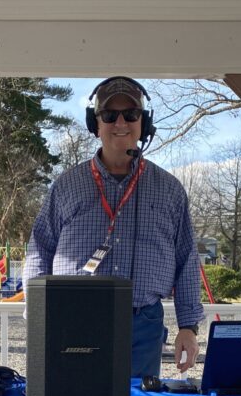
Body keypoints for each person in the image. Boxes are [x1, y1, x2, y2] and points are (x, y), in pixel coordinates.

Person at [23, 76, 203, 377]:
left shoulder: (169, 189)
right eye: (109, 115)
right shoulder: (66, 185)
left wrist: (188, 326)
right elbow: (38, 251)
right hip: (75, 317)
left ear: (143, 123)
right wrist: (40, 316)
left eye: (131, 114)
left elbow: (187, 259)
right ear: (96, 125)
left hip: (143, 324)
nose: (121, 122)